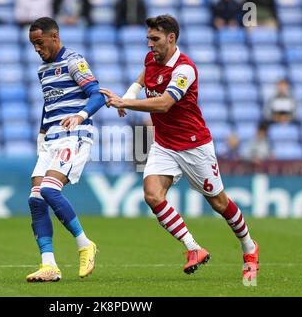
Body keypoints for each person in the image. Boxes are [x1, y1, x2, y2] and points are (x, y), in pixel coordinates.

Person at [101, 15, 259, 280]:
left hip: (193, 146)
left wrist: (124, 104)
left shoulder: (184, 69)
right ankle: (193, 248)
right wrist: (129, 94)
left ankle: (249, 246)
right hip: (164, 144)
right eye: (148, 39)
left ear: (171, 38)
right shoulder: (151, 58)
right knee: (152, 195)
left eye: (155, 39)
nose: (150, 44)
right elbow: (143, 76)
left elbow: (164, 103)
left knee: (219, 203)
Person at [26, 17, 105, 282]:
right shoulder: (42, 70)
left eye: (39, 42)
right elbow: (48, 105)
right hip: (51, 138)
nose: (37, 48)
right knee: (36, 199)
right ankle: (49, 265)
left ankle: (85, 244)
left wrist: (80, 116)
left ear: (54, 37)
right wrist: (41, 133)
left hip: (75, 135)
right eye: (33, 44)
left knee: (49, 189)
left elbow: (97, 95)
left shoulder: (74, 60)